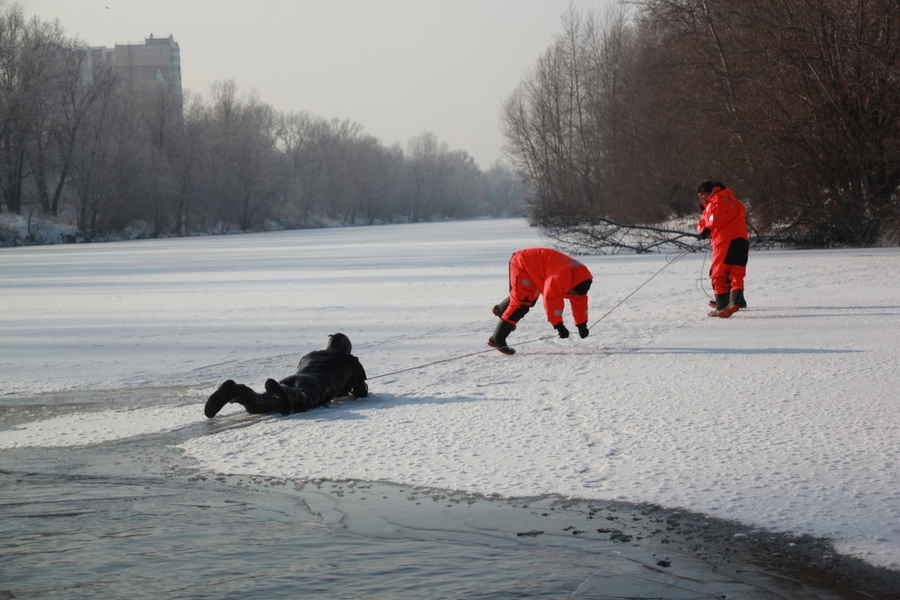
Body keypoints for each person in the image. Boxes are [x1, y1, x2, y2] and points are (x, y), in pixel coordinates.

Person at [204, 332, 368, 418]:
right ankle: (283, 393)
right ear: (347, 349)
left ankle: (236, 392)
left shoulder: (309, 356)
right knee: (302, 399)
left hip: (291, 379)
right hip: (315, 384)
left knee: (262, 403)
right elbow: (361, 392)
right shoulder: (350, 360)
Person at [488, 247, 593, 355]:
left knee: (528, 299)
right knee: (522, 303)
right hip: (522, 262)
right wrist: (559, 326)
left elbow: (580, 301)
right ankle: (497, 339)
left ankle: (501, 311)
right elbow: (551, 301)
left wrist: (582, 325)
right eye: (572, 293)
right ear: (571, 287)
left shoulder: (582, 279)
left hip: (538, 267)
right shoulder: (558, 279)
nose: (571, 296)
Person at [696, 180, 749, 318]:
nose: (701, 198)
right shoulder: (731, 200)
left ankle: (723, 304)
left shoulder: (719, 200)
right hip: (741, 239)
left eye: (702, 195)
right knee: (736, 272)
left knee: (718, 273)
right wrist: (705, 225)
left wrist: (706, 229)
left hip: (725, 241)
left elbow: (714, 220)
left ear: (710, 191)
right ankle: (735, 301)